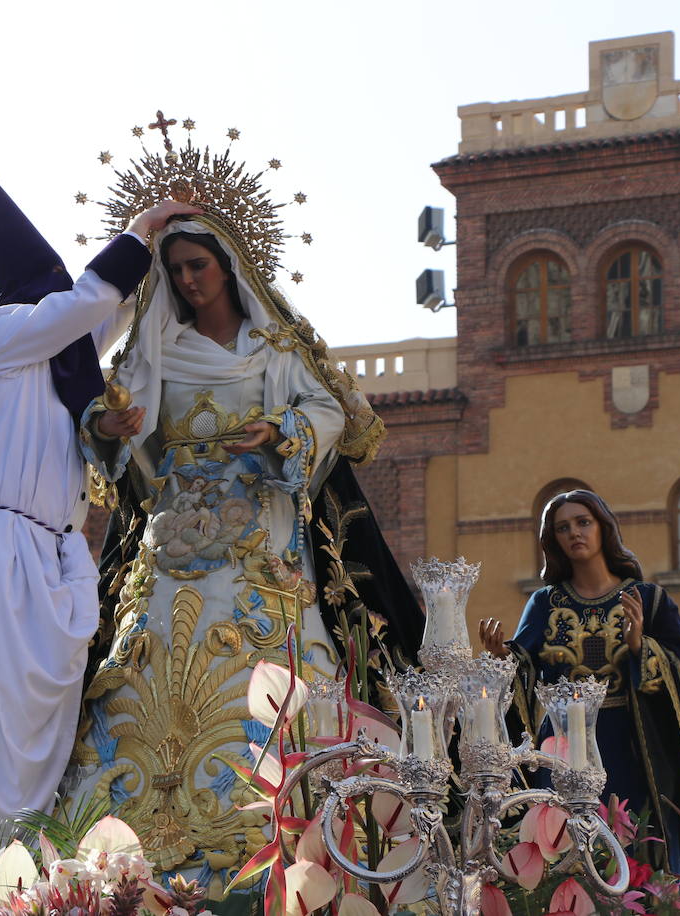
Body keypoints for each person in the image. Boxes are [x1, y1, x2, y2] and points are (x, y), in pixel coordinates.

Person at [65, 212, 423, 896]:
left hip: (260, 551)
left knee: (279, 684)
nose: (187, 281)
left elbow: (329, 415)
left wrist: (276, 434)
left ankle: (301, 852)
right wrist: (109, 425)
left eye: (197, 265)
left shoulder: (274, 347)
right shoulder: (158, 346)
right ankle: (126, 862)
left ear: (227, 265)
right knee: (141, 682)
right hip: (172, 553)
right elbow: (114, 432)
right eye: (174, 271)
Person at [0, 109, 199, 898]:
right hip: (3, 553)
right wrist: (139, 231)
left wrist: (105, 422)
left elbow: (96, 323)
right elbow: (83, 309)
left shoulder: (48, 368)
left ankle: (41, 875)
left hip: (49, 555)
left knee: (46, 730)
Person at [478, 489, 680, 873]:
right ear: (554, 540)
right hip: (563, 750)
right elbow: (523, 671)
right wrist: (501, 658)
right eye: (563, 527)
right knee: (564, 850)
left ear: (603, 528)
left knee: (634, 852)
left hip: (631, 747)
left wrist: (640, 647)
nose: (574, 533)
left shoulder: (649, 600)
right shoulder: (545, 603)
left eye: (583, 522)